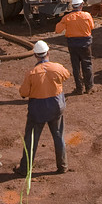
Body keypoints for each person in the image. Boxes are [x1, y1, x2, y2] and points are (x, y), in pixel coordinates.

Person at [14, 40, 70, 176]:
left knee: (31, 139)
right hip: (56, 107)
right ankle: (62, 166)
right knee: (58, 136)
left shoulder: (32, 73)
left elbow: (23, 93)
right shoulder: (57, 67)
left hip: (37, 110)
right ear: (48, 53)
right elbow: (66, 75)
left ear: (35, 55)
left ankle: (25, 168)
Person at [54, 0, 95, 94]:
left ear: (73, 6)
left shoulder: (67, 18)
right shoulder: (87, 15)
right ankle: (89, 87)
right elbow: (92, 27)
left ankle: (79, 88)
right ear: (81, 5)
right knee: (87, 65)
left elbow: (57, 30)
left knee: (76, 67)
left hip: (73, 46)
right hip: (85, 45)